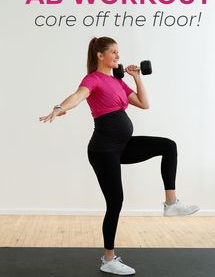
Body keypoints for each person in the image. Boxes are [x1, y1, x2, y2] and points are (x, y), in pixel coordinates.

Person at [39, 36, 200, 276]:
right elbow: (78, 95)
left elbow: (144, 104)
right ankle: (108, 259)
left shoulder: (118, 81)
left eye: (118, 52)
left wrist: (137, 78)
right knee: (115, 202)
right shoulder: (92, 79)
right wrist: (59, 108)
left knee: (168, 146)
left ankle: (171, 203)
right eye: (113, 52)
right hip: (104, 150)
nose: (118, 56)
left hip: (123, 145)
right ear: (100, 56)